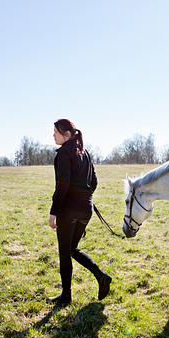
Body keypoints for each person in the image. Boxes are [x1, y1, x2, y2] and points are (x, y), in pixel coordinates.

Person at [47, 118, 111, 305]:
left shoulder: (64, 154)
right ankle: (101, 276)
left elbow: (63, 184)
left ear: (66, 134)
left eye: (56, 132)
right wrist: (85, 197)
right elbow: (94, 182)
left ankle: (66, 296)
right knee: (71, 249)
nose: (53, 135)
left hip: (69, 210)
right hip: (86, 209)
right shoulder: (85, 153)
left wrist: (54, 212)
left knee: (64, 253)